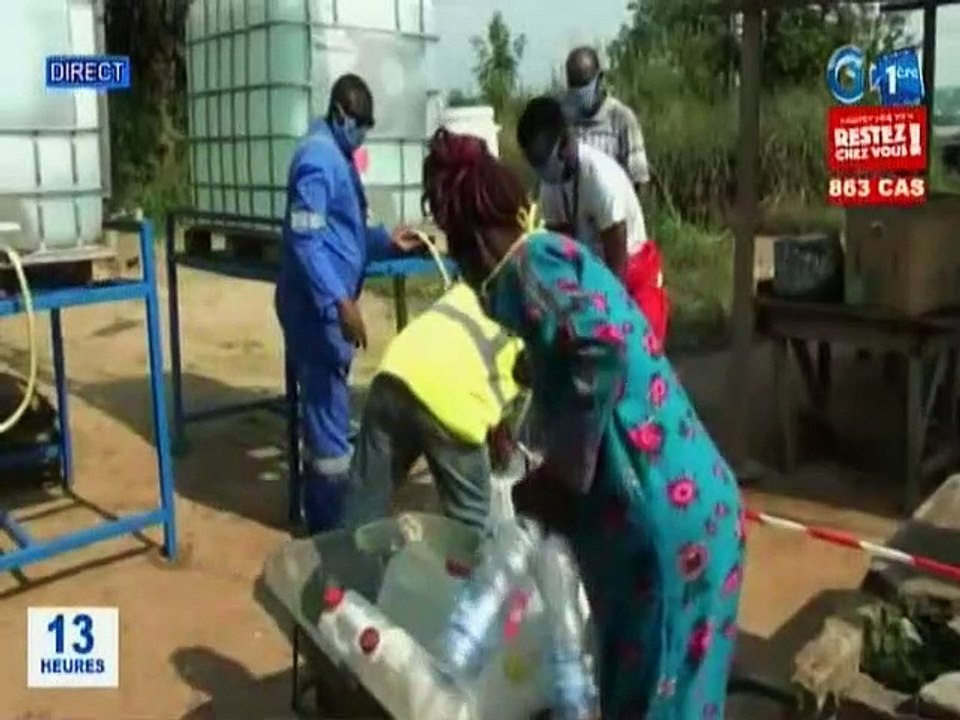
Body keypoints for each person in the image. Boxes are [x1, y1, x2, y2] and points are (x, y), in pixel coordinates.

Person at [421, 128, 745, 718]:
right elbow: (583, 344)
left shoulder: (527, 274)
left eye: (458, 256)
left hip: (660, 533)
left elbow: (599, 348)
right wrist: (534, 380)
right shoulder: (557, 254)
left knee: (648, 704)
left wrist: (564, 474)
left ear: (472, 249)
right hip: (701, 512)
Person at [276, 73, 421, 533]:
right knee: (328, 425)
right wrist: (340, 300)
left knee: (328, 415)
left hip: (326, 305)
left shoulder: (336, 155)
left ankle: (325, 514)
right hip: (315, 308)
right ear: (340, 114)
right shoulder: (316, 160)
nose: (361, 134)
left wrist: (385, 242)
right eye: (358, 124)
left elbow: (346, 229)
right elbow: (306, 238)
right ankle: (327, 531)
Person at [339, 281, 524, 530]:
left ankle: (338, 564)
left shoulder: (473, 285)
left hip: (395, 372)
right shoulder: (535, 322)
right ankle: (468, 567)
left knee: (365, 498)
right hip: (453, 401)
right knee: (470, 522)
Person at [517, 95, 668, 344]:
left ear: (565, 143)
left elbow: (616, 279)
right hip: (593, 276)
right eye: (535, 164)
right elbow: (562, 254)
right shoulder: (551, 186)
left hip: (630, 278)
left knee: (634, 360)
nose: (541, 171)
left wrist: (599, 326)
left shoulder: (600, 179)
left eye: (543, 161)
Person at [563, 46, 650, 196]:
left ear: (600, 79)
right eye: (574, 86)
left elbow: (638, 179)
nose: (579, 92)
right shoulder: (566, 121)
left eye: (584, 85)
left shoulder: (622, 119)